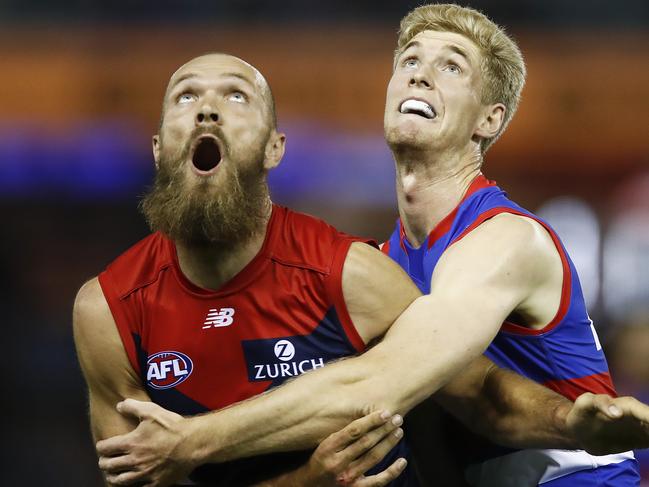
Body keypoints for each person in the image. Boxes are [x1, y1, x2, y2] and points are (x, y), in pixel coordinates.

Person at [80, 45, 649, 487]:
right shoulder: (107, 308)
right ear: (157, 147)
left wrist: (565, 421)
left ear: (276, 148)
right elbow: (146, 474)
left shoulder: (354, 275)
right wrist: (305, 481)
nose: (206, 107)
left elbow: (477, 394)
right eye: (185, 96)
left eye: (235, 97)